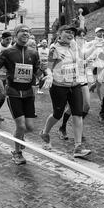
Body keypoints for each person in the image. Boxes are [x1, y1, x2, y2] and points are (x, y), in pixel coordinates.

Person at [0, 25, 41, 165]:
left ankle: (20, 137)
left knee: (29, 127)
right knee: (21, 125)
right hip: (13, 93)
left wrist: (45, 76)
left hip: (28, 94)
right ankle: (17, 152)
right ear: (15, 34)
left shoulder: (33, 52)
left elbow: (37, 70)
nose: (25, 33)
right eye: (22, 31)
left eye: (27, 31)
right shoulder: (8, 52)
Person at [40, 25, 92, 158]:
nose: (70, 35)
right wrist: (50, 75)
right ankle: (45, 133)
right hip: (59, 86)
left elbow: (79, 59)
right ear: (59, 33)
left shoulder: (73, 45)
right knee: (57, 115)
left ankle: (78, 147)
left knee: (78, 114)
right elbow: (47, 67)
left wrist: (86, 62)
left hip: (75, 85)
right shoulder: (54, 48)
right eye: (67, 32)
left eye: (72, 33)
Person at [0, 31, 13, 124]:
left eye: (10, 39)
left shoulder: (11, 48)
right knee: (2, 92)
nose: (8, 41)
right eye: (7, 39)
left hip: (7, 74)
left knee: (3, 95)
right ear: (2, 39)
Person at [87, 27, 104, 102]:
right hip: (95, 65)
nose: (101, 33)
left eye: (102, 32)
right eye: (99, 32)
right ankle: (101, 100)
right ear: (96, 33)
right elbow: (88, 52)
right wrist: (89, 59)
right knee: (99, 83)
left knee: (99, 82)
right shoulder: (92, 42)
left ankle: (92, 87)